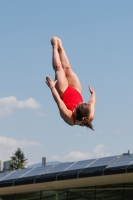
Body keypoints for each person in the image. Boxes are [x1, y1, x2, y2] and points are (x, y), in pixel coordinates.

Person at [46, 36, 96, 130]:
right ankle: (60, 46)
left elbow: (58, 101)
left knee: (59, 68)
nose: (76, 104)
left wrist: (52, 87)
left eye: (77, 106)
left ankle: (54, 46)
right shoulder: (90, 116)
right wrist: (93, 94)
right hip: (76, 90)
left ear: (75, 112)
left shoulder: (69, 118)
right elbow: (92, 103)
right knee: (68, 68)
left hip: (63, 92)